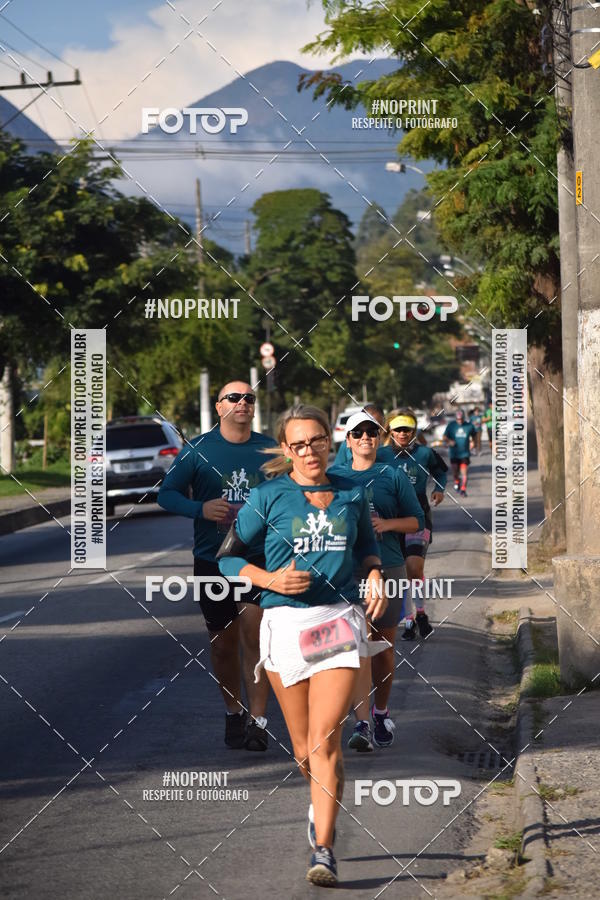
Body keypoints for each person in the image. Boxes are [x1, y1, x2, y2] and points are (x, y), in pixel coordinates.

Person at [217, 405, 387, 886]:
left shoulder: (353, 492)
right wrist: (266, 577)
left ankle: (325, 849)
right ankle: (320, 804)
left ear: (329, 445)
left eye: (316, 441)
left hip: (338, 622)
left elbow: (365, 548)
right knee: (301, 751)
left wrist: (373, 572)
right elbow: (225, 559)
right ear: (286, 449)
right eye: (299, 444)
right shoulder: (268, 496)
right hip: (285, 627)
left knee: (325, 742)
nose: (309, 450)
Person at [157, 381, 276, 751]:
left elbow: (293, 489)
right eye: (234, 397)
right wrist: (200, 509)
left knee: (255, 635)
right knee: (223, 645)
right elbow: (166, 494)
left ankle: (258, 722)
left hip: (259, 558)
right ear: (219, 405)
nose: (243, 402)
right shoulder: (198, 450)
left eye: (249, 398)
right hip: (214, 560)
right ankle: (233, 711)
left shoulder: (269, 448)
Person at [328, 411, 424, 751]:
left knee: (382, 649)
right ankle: (361, 723)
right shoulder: (333, 477)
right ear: (348, 440)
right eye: (358, 433)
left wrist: (385, 526)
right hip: (348, 571)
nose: (366, 437)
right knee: (355, 647)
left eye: (371, 432)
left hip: (390, 569)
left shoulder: (392, 474)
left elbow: (416, 521)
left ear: (378, 438)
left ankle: (380, 712)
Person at [385, 409, 448, 640]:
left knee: (414, 568)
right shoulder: (380, 456)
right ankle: (410, 619)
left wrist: (439, 490)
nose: (402, 433)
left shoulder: (424, 454)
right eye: (398, 429)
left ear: (414, 431)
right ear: (389, 430)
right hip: (390, 521)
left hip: (419, 517)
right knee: (399, 573)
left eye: (407, 429)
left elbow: (441, 472)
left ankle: (420, 613)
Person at [443, 408, 476, 497]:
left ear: (463, 418)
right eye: (458, 419)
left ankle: (463, 489)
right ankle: (457, 481)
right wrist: (449, 441)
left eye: (461, 419)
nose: (460, 421)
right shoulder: (451, 426)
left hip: (464, 453)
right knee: (455, 472)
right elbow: (444, 437)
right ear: (456, 418)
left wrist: (473, 442)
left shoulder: (469, 426)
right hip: (454, 453)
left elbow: (474, 435)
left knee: (464, 472)